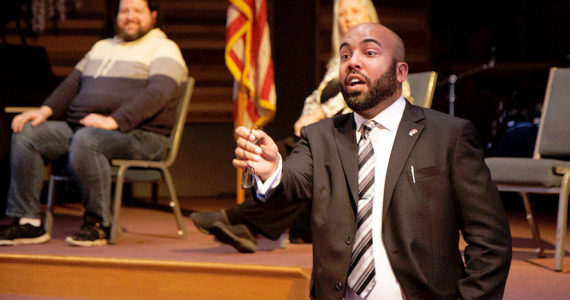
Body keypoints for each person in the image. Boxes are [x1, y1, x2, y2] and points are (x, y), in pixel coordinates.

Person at [233, 23, 512, 299]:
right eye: (345, 56)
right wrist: (272, 171)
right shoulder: (320, 137)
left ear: (400, 71)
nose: (352, 62)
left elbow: (490, 241)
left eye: (369, 53)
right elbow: (291, 181)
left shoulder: (448, 136)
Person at [190, 0, 414, 253]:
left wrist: (320, 114)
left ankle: (239, 220)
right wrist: (308, 115)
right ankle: (253, 227)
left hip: (370, 140)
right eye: (342, 14)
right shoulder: (338, 62)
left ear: (370, 15)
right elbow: (317, 97)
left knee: (307, 151)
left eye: (354, 12)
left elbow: (366, 94)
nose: (347, 19)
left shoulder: (384, 57)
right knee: (291, 151)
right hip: (336, 136)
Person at [0, 0, 188, 247]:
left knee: (88, 139)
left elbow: (157, 95)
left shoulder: (164, 48)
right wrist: (44, 111)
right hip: (86, 129)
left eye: (137, 11)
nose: (130, 16)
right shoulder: (101, 47)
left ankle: (97, 224)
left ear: (153, 16)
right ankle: (28, 223)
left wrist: (114, 121)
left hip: (142, 135)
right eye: (124, 11)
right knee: (28, 132)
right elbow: (71, 84)